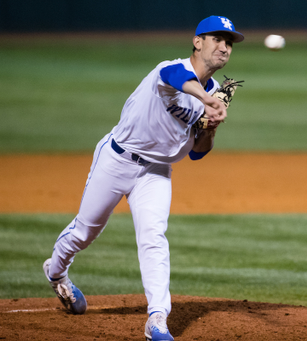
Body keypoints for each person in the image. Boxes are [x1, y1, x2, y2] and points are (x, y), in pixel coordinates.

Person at [42, 15, 244, 341]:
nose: (224, 47)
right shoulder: (170, 69)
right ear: (197, 42)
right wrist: (206, 100)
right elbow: (176, 78)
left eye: (229, 42)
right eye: (217, 39)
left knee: (153, 238)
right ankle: (56, 273)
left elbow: (196, 151)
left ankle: (157, 320)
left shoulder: (216, 93)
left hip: (156, 172)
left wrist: (211, 128)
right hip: (117, 159)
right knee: (85, 232)